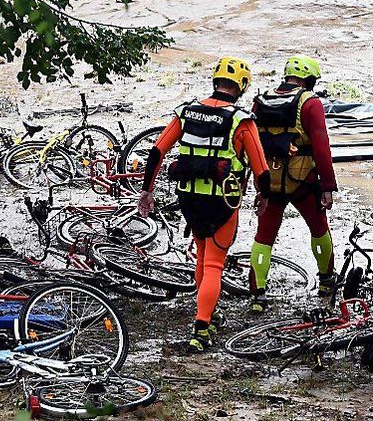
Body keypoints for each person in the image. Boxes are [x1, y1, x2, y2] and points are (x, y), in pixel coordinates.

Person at [137, 57, 270, 353]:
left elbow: (157, 151)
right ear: (243, 86)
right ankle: (201, 329)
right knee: (214, 264)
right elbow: (261, 169)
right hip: (223, 200)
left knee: (201, 256)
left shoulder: (186, 112)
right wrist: (263, 197)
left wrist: (147, 191)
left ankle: (208, 312)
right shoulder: (241, 120)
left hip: (189, 197)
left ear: (214, 80)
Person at [248, 55, 337, 313]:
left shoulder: (260, 101)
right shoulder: (310, 103)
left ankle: (257, 295)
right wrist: (328, 186)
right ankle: (326, 281)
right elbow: (321, 148)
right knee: (319, 228)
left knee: (264, 236)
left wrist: (254, 183)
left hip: (269, 180)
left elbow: (251, 145)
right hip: (303, 181)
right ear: (309, 79)